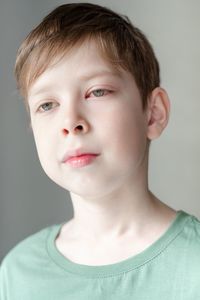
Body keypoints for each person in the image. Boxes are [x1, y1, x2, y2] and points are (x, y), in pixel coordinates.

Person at [0, 3, 199, 299]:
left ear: (153, 114)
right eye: (47, 105)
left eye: (97, 92)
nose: (70, 122)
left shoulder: (193, 265)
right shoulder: (18, 272)